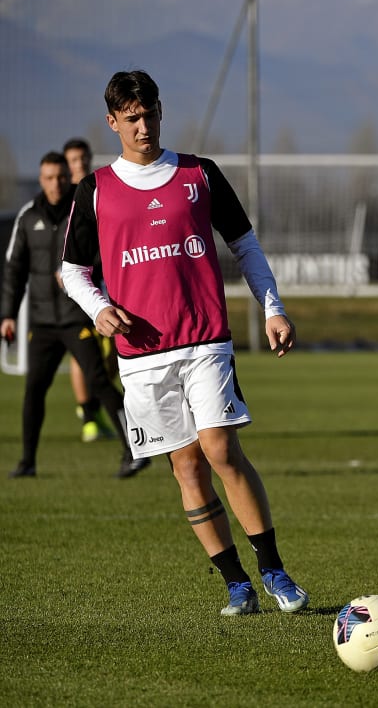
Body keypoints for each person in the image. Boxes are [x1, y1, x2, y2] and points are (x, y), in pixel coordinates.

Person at [60, 70, 309, 617]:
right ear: (113, 122)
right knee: (188, 466)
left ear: (160, 111)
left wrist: (274, 308)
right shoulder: (95, 189)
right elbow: (73, 270)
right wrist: (100, 308)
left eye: (149, 114)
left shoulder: (198, 174)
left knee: (220, 448)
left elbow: (244, 244)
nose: (143, 126)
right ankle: (236, 583)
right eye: (132, 118)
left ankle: (274, 570)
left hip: (204, 341)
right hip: (143, 356)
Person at [1, 152, 141, 479]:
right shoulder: (28, 216)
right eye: (49, 178)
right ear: (41, 179)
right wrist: (8, 314)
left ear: (69, 177)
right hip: (43, 322)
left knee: (100, 383)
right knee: (34, 389)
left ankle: (134, 451)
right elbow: (14, 269)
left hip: (77, 316)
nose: (56, 184)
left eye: (61, 177)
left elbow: (104, 252)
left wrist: (82, 275)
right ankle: (27, 461)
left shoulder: (82, 212)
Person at [62, 137, 120, 444]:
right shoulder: (61, 198)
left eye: (83, 158)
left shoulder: (96, 190)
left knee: (113, 351)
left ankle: (93, 402)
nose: (80, 164)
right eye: (73, 160)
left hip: (106, 281)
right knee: (81, 352)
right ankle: (88, 414)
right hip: (77, 286)